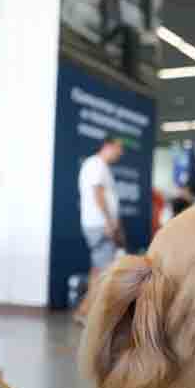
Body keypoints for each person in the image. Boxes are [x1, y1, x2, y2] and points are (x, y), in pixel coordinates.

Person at [74, 136, 124, 324]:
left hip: (100, 223)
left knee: (98, 270)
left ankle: (85, 310)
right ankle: (87, 313)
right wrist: (109, 222)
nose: (120, 153)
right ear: (108, 146)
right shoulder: (95, 165)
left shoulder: (100, 166)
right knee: (104, 271)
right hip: (99, 225)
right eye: (118, 148)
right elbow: (98, 194)